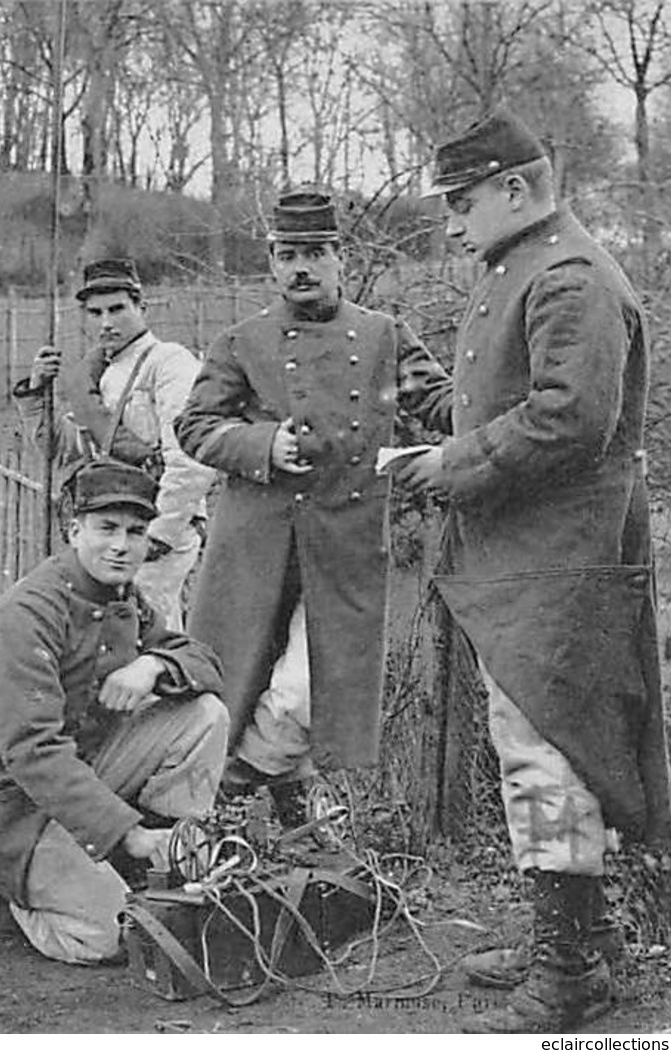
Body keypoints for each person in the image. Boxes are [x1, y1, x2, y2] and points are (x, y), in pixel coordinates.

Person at [399, 110, 671, 1033]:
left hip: (563, 559)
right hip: (531, 556)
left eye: (460, 202)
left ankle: (567, 976)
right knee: (539, 744)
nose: (449, 225)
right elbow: (520, 402)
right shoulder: (526, 265)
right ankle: (577, 940)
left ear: (514, 190)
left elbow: (567, 419)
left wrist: (452, 465)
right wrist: (444, 423)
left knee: (546, 750)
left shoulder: (568, 276)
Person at [174, 187, 454, 829]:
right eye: (288, 254)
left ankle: (237, 786)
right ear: (272, 262)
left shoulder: (384, 336)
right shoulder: (241, 343)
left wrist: (500, 418)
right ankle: (266, 795)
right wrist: (262, 443)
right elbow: (194, 426)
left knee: (306, 691)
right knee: (230, 682)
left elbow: (441, 402)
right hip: (255, 545)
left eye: (315, 253)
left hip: (346, 542)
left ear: (340, 258)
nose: (301, 267)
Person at [0, 460, 228, 965]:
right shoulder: (29, 614)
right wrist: (128, 834)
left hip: (74, 775)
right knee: (110, 936)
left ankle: (162, 861)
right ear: (74, 531)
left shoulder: (122, 596)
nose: (121, 545)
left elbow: (206, 663)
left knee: (205, 715)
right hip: (0, 801)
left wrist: (153, 664)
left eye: (135, 532)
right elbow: (32, 752)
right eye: (106, 529)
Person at [12, 258, 215, 631]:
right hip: (107, 528)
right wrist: (38, 391)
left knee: (148, 636)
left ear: (142, 307)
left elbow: (190, 459)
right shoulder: (94, 373)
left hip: (152, 529)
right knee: (107, 640)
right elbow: (62, 449)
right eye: (95, 312)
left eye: (117, 309)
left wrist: (158, 536)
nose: (106, 322)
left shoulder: (168, 363)